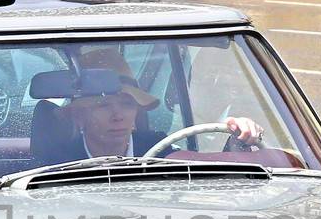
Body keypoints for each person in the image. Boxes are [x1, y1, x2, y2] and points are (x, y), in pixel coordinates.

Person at [36, 49, 261, 164]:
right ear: (79, 117)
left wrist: (238, 138)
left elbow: (207, 174)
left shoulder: (157, 148)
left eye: (127, 104)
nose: (118, 116)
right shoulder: (61, 161)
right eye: (103, 106)